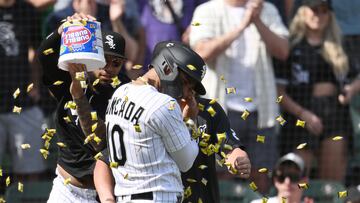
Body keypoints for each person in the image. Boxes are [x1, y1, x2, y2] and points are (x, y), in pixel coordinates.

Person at [189, 0, 289, 194]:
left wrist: (257, 21)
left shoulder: (266, 9)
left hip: (262, 111)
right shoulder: (206, 10)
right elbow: (201, 53)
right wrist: (242, 25)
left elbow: (283, 51)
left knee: (260, 175)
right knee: (220, 174)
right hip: (220, 110)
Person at [37, 13, 129, 202]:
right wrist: (62, 30)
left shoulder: (124, 90)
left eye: (116, 63)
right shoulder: (68, 77)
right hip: (67, 190)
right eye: (104, 60)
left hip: (106, 193)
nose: (108, 68)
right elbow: (44, 56)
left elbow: (100, 141)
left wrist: (79, 96)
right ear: (94, 56)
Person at [103, 41, 209, 202]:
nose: (188, 93)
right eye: (187, 82)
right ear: (168, 68)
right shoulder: (164, 104)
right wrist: (190, 120)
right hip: (155, 196)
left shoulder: (119, 93)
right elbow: (186, 162)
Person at [94, 96, 252, 203]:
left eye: (194, 83)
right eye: (186, 81)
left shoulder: (209, 109)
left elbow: (230, 147)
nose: (190, 90)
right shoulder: (152, 111)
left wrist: (238, 159)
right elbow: (104, 161)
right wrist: (107, 199)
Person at [275, 0, 351, 181]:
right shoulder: (290, 47)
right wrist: (304, 114)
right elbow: (278, 93)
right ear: (302, 11)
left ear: (330, 14)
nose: (319, 15)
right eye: (314, 9)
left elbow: (355, 77)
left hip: (335, 114)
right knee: (297, 179)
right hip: (299, 116)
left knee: (331, 184)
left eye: (324, 10)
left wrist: (351, 90)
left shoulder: (340, 44)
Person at [0, 0, 46, 182]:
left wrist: (35, 84)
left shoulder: (28, 10)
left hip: (22, 103)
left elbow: (37, 50)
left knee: (29, 172)